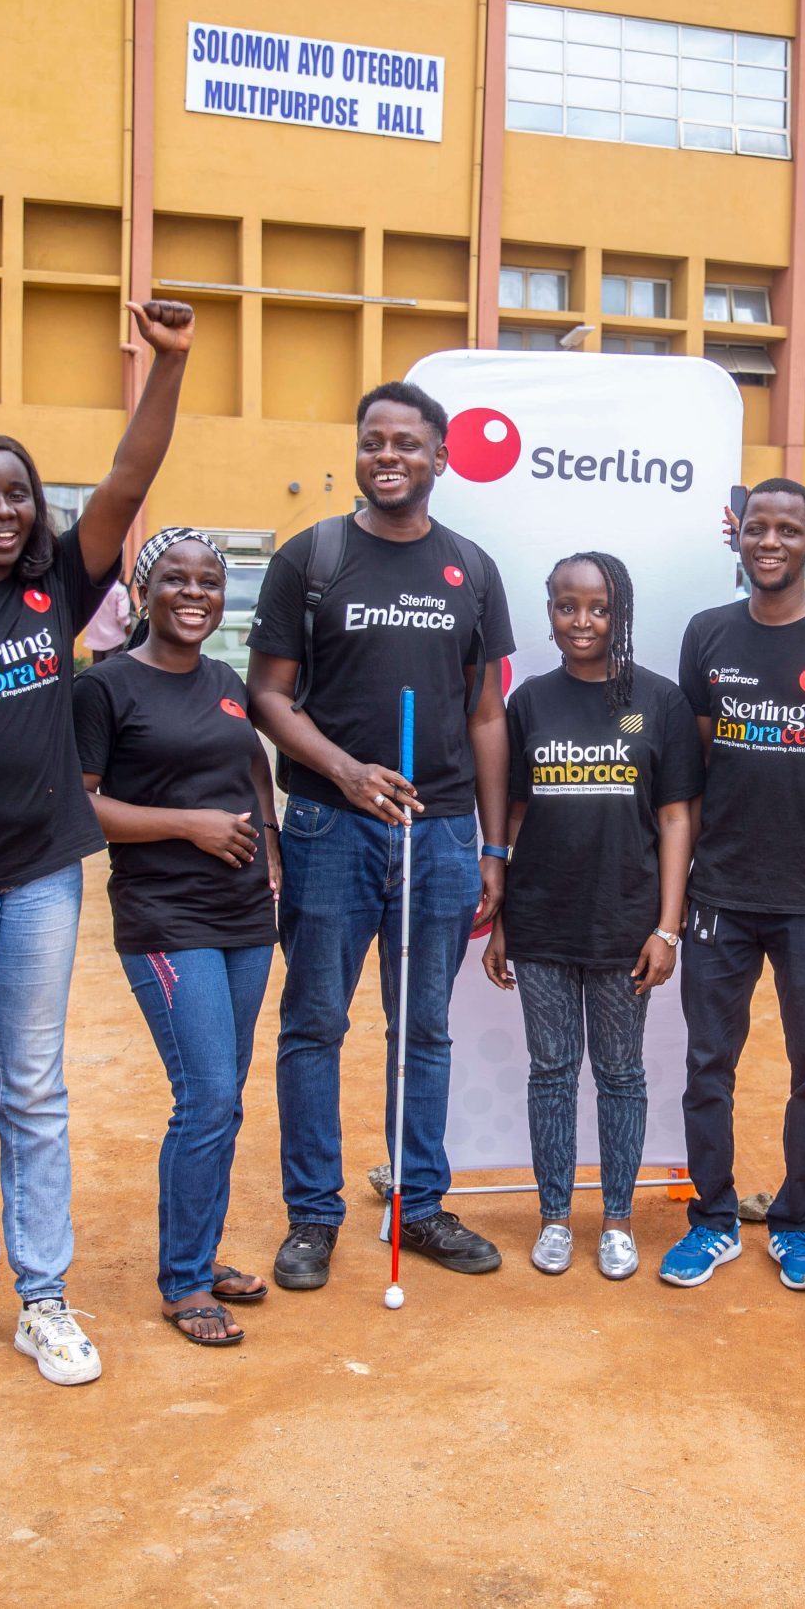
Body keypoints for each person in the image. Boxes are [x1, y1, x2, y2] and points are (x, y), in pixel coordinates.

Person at [0, 299, 194, 1385]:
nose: (6, 510)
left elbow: (128, 475)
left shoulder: (50, 588)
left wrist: (168, 366)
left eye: (19, 493)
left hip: (43, 876)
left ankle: (44, 1296)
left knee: (32, 1084)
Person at [247, 381, 515, 1289]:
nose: (388, 455)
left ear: (441, 458)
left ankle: (421, 1201)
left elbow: (486, 713)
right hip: (331, 823)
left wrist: (490, 842)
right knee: (315, 1022)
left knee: (425, 1029)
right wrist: (346, 771)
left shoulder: (472, 569)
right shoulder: (312, 556)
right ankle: (313, 1214)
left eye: (407, 442)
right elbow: (268, 697)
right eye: (373, 441)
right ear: (359, 452)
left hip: (439, 833)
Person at [660, 478, 805, 1292]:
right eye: (758, 527)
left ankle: (794, 1222)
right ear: (740, 537)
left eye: (789, 529)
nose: (771, 542)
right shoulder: (708, 632)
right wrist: (677, 889)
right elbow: (690, 766)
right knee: (707, 1064)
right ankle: (713, 1219)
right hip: (721, 888)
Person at [73, 527, 283, 1345]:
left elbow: (253, 766)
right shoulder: (108, 686)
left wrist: (269, 845)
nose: (194, 593)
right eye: (176, 579)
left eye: (209, 581)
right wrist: (189, 827)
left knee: (221, 1101)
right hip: (168, 918)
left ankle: (199, 1250)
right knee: (206, 1096)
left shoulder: (226, 681)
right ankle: (185, 1282)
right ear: (142, 591)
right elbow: (81, 802)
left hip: (243, 917)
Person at [481, 552, 701, 1280]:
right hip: (542, 921)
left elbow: (675, 818)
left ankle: (615, 1220)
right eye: (568, 605)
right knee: (550, 1071)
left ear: (622, 612)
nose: (583, 621)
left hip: (625, 927)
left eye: (599, 607)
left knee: (619, 1074)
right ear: (549, 609)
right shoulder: (530, 702)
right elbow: (511, 813)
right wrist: (504, 915)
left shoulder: (659, 701)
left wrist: (667, 927)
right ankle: (552, 1217)